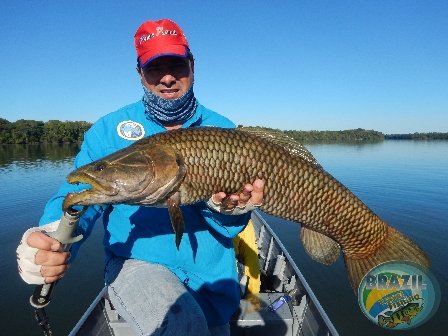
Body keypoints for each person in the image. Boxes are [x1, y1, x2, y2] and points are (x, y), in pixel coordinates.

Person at [16, 19, 264, 336]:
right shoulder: (108, 131)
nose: (168, 77)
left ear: (192, 64)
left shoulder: (224, 130)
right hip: (135, 264)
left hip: (214, 281)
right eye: (154, 68)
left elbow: (228, 224)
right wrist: (51, 238)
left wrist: (230, 209)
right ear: (140, 73)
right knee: (182, 326)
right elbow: (80, 197)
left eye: (176, 64)